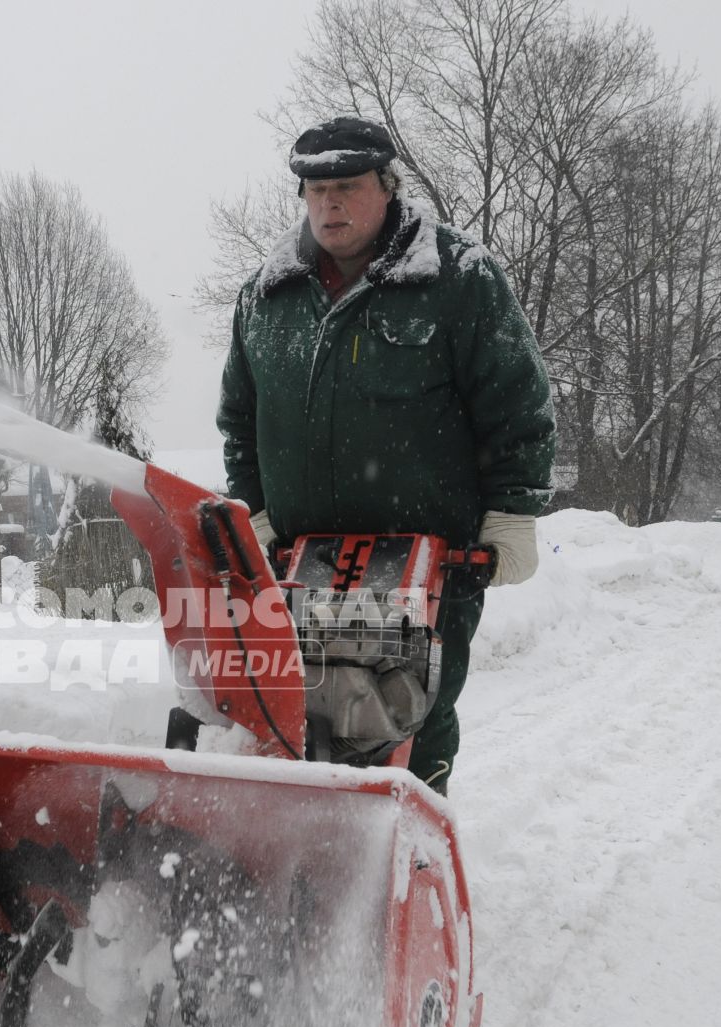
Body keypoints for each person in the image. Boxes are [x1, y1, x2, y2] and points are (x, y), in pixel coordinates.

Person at [217, 116, 556, 795]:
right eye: (314, 190)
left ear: (388, 185)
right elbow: (240, 419)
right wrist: (252, 508)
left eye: (346, 186)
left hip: (430, 560)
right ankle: (300, 858)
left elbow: (516, 403)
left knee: (410, 715)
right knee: (295, 714)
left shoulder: (459, 278)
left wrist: (512, 514)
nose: (328, 204)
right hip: (302, 558)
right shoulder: (266, 297)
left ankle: (409, 851)